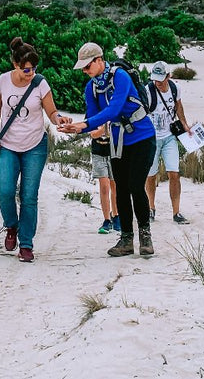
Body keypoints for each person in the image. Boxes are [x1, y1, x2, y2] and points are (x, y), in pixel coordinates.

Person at [59, 42, 156, 257]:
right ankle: (127, 239)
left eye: (87, 66)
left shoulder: (120, 76)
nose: (85, 72)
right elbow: (93, 117)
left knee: (135, 186)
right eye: (83, 68)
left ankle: (145, 234)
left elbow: (114, 109)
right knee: (120, 188)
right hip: (118, 140)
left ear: (99, 60)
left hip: (142, 137)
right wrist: (79, 128)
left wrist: (85, 125)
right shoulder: (91, 87)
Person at [0, 35, 64, 262]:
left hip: (35, 146)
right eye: (26, 69)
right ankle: (11, 226)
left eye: (33, 68)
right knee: (5, 191)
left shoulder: (40, 83)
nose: (30, 73)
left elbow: (51, 111)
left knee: (29, 196)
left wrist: (59, 119)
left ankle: (27, 244)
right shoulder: (3, 81)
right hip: (8, 145)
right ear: (15, 65)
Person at [145, 61, 192, 224]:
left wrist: (184, 124)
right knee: (151, 175)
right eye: (154, 79)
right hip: (152, 139)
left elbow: (179, 106)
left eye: (160, 79)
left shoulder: (175, 88)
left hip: (170, 136)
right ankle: (151, 209)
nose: (157, 82)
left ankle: (176, 212)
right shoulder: (148, 90)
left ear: (168, 76)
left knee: (174, 173)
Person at [90, 128, 120, 233]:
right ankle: (107, 219)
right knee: (104, 186)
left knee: (115, 185)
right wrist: (105, 126)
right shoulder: (94, 111)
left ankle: (115, 215)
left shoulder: (114, 111)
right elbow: (93, 134)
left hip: (114, 152)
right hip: (98, 153)